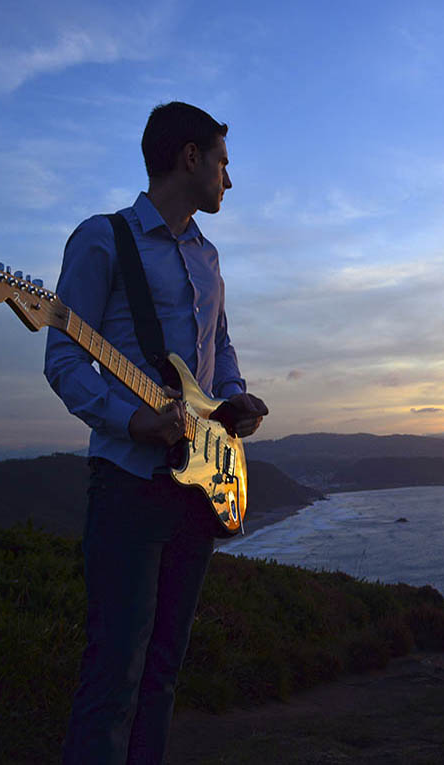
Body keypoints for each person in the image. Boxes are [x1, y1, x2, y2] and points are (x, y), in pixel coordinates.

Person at [44, 101, 268, 764]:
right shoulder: (101, 239)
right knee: (114, 672)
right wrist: (132, 418)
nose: (230, 180)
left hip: (197, 483)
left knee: (164, 671)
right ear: (190, 157)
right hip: (127, 482)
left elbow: (218, 348)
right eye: (224, 162)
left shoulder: (209, 257)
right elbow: (63, 359)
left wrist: (232, 402)